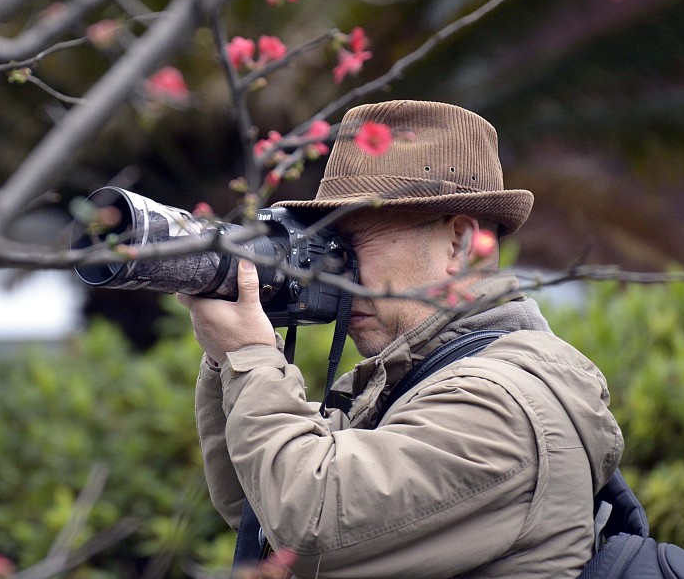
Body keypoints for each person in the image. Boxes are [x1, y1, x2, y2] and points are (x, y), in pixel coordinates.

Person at [184, 100, 623, 578]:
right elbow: (256, 510)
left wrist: (250, 357)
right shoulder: (413, 379)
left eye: (354, 243)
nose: (337, 273)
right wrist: (227, 356)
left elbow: (310, 522)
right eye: (326, 249)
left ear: (457, 241)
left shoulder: (502, 404)